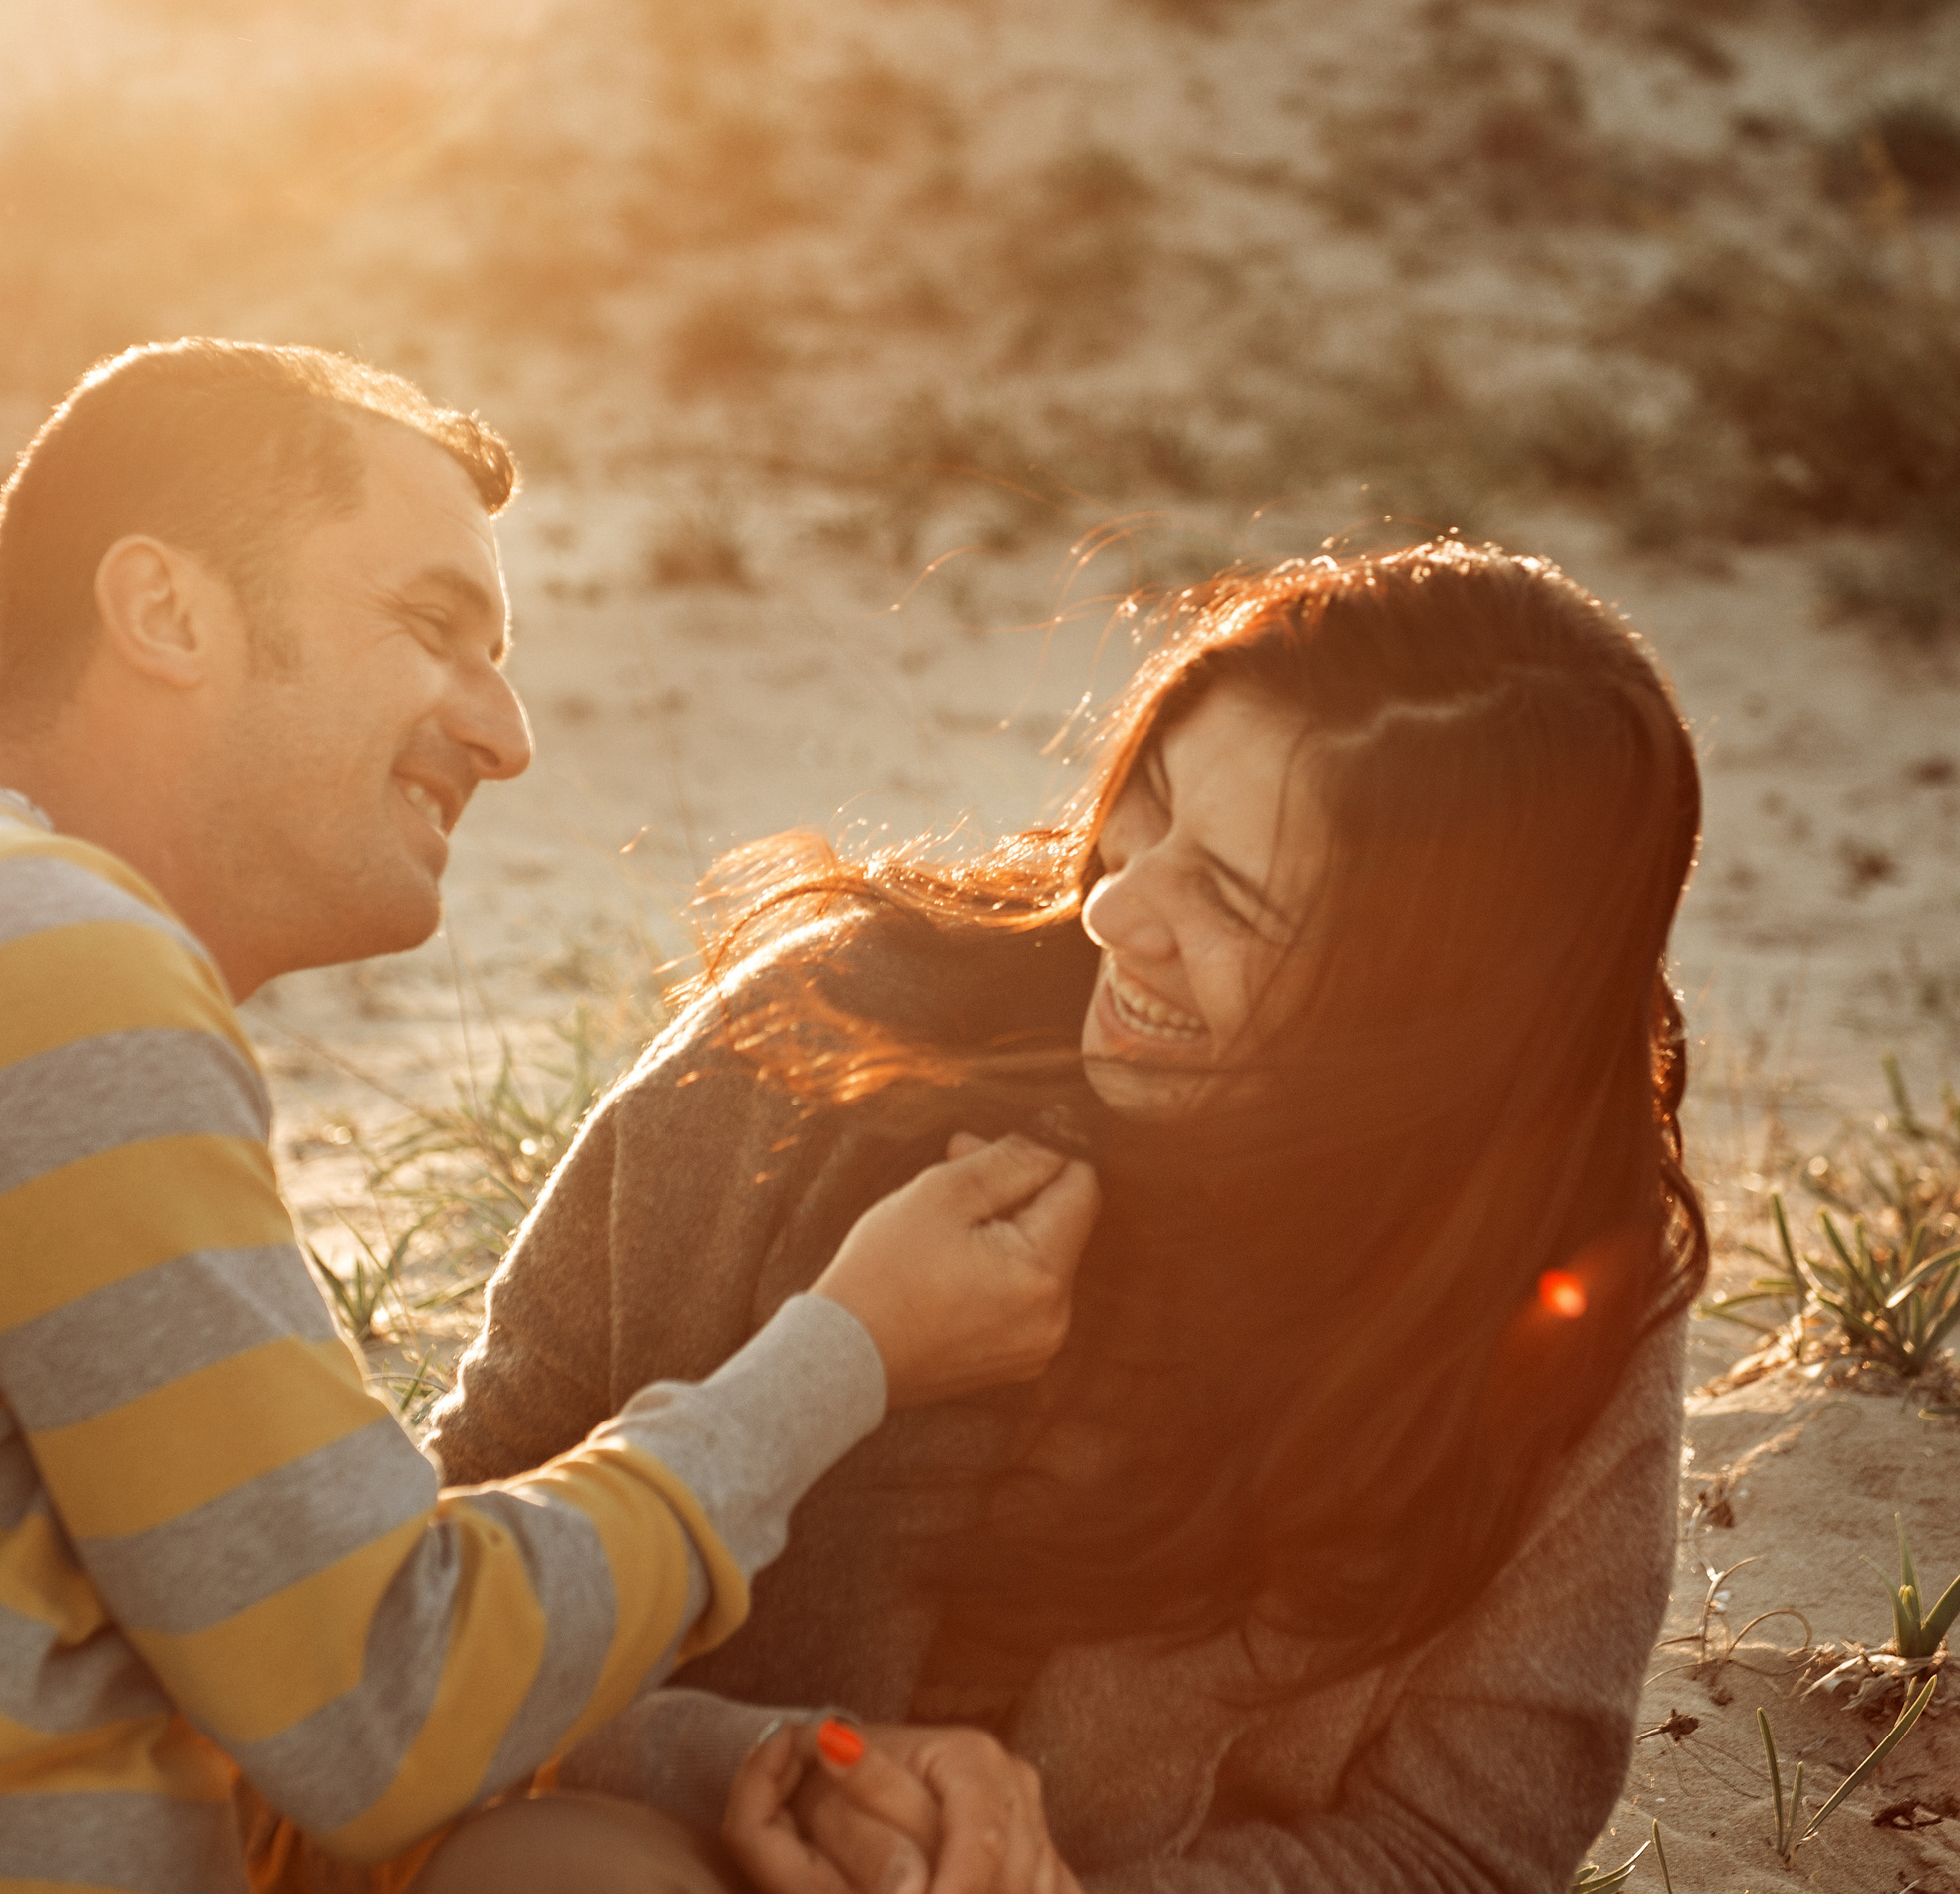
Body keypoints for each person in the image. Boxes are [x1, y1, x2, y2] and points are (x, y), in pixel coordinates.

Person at [0, 340, 1100, 1894]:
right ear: (167, 613)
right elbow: (379, 1702)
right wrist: (855, 1350)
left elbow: (269, 1645)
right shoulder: (26, 955)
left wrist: (733, 1750)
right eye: (435, 633)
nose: (504, 735)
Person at [432, 540, 1708, 1892]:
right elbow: (414, 1607)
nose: (1113, 906)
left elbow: (1468, 1846)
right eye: (1148, 808)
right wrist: (760, 1764)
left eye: (1230, 896)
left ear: (1433, 1012)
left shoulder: (1551, 1302)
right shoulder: (812, 1049)